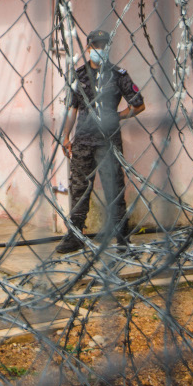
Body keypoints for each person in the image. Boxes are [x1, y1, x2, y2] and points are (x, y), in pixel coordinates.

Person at [55, 29, 146, 255]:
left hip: (109, 142)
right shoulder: (78, 76)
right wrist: (66, 137)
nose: (100, 49)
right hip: (83, 141)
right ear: (88, 48)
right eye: (96, 45)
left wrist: (119, 116)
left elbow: (138, 104)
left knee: (114, 189)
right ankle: (75, 236)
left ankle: (122, 237)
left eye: (104, 45)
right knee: (78, 189)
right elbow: (71, 108)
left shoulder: (118, 74)